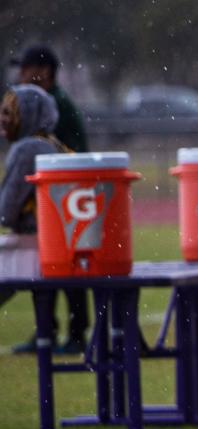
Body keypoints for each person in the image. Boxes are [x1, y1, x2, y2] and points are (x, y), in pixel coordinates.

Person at [10, 45, 90, 355]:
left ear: (43, 72)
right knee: (48, 267)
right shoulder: (49, 101)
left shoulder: (48, 104)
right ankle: (48, 331)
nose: (21, 76)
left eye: (26, 68)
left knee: (69, 268)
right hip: (59, 195)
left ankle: (74, 333)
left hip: (67, 195)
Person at [0, 86, 64, 335]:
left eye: (8, 112)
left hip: (34, 245)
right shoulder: (52, 143)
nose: (3, 118)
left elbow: (6, 212)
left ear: (27, 113)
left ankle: (45, 336)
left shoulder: (27, 149)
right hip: (56, 244)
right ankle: (45, 336)